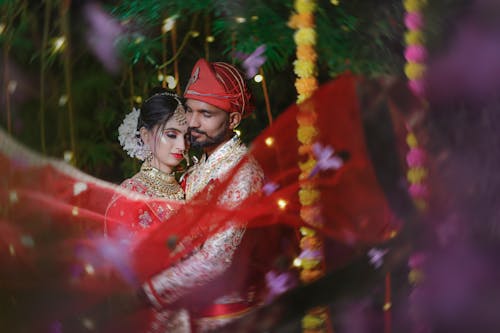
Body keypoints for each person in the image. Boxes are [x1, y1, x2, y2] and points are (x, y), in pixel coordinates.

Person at [139, 59, 275, 332]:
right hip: (191, 312)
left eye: (207, 114)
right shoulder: (200, 165)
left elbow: (216, 258)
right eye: (189, 111)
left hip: (226, 317)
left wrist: (148, 292)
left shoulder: (241, 171)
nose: (193, 122)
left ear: (233, 119)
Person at [104, 91, 191, 332]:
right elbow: (123, 278)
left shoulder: (191, 185)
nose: (182, 146)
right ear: (145, 135)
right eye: (171, 134)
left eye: (186, 136)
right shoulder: (130, 197)